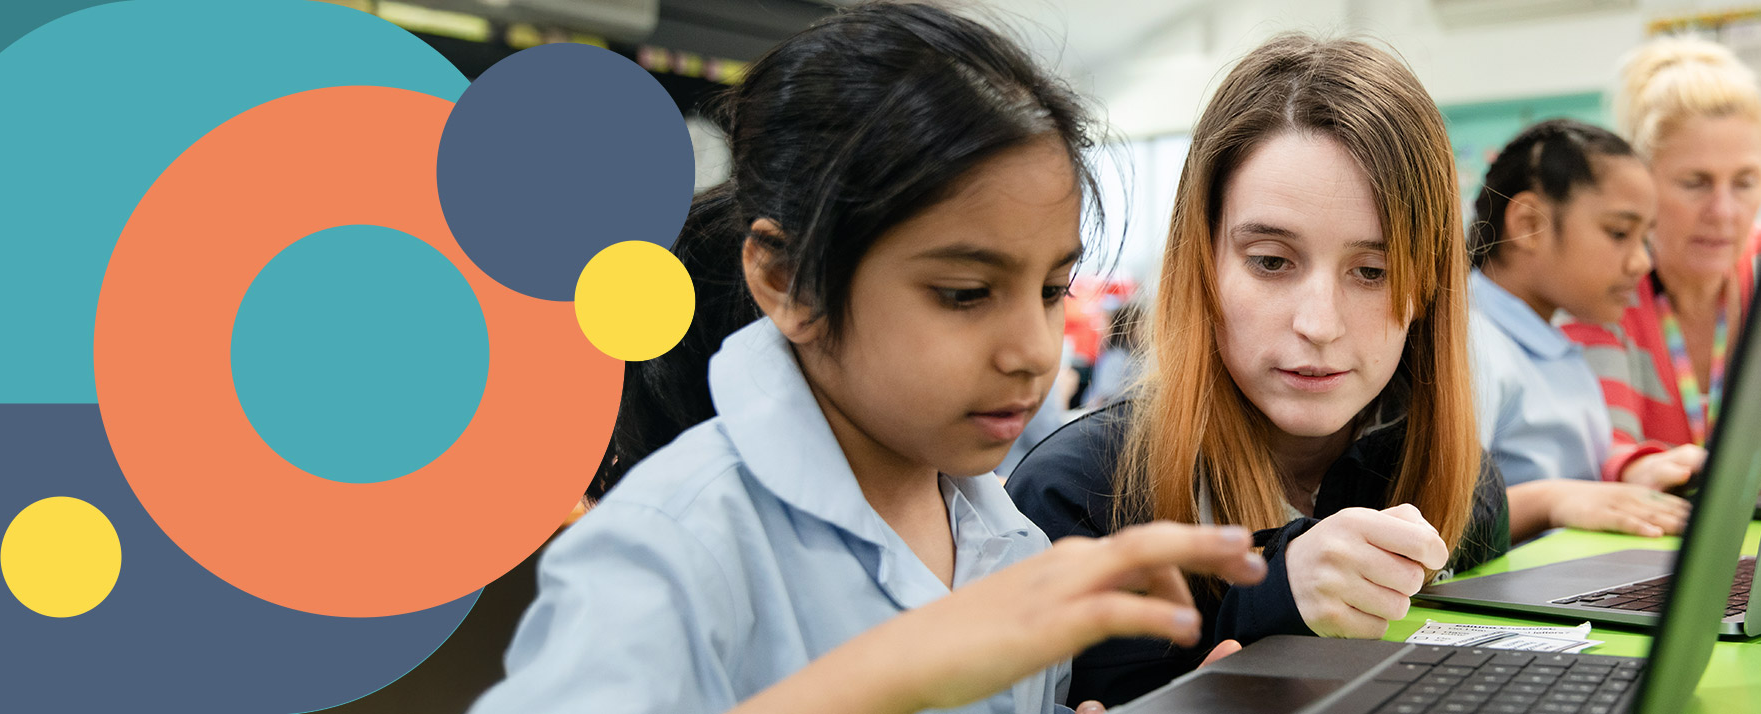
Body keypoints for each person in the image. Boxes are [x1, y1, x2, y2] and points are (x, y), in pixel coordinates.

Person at [471, 5, 1265, 714]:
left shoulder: (1004, 534)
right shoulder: (672, 545)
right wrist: (887, 676)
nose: (1032, 350)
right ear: (786, 280)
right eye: (963, 292)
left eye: (1054, 289)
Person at [1006, 33, 1509, 708]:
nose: (1319, 322)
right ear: (1202, 261)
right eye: (1271, 261)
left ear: (1428, 289)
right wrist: (1276, 598)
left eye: (1373, 271)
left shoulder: (1459, 481)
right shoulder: (1078, 497)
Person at [1562, 36, 1761, 492]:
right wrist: (1640, 469)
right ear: (1641, 185)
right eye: (1695, 182)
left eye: (1745, 182)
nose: (1724, 212)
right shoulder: (1602, 288)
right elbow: (1603, 448)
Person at [1467, 118, 1690, 543]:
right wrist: (1552, 502)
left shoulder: (1546, 338)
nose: (1642, 263)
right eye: (1619, 233)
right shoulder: (1471, 343)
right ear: (1529, 223)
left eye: (1646, 238)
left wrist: (1634, 472)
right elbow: (1433, 520)